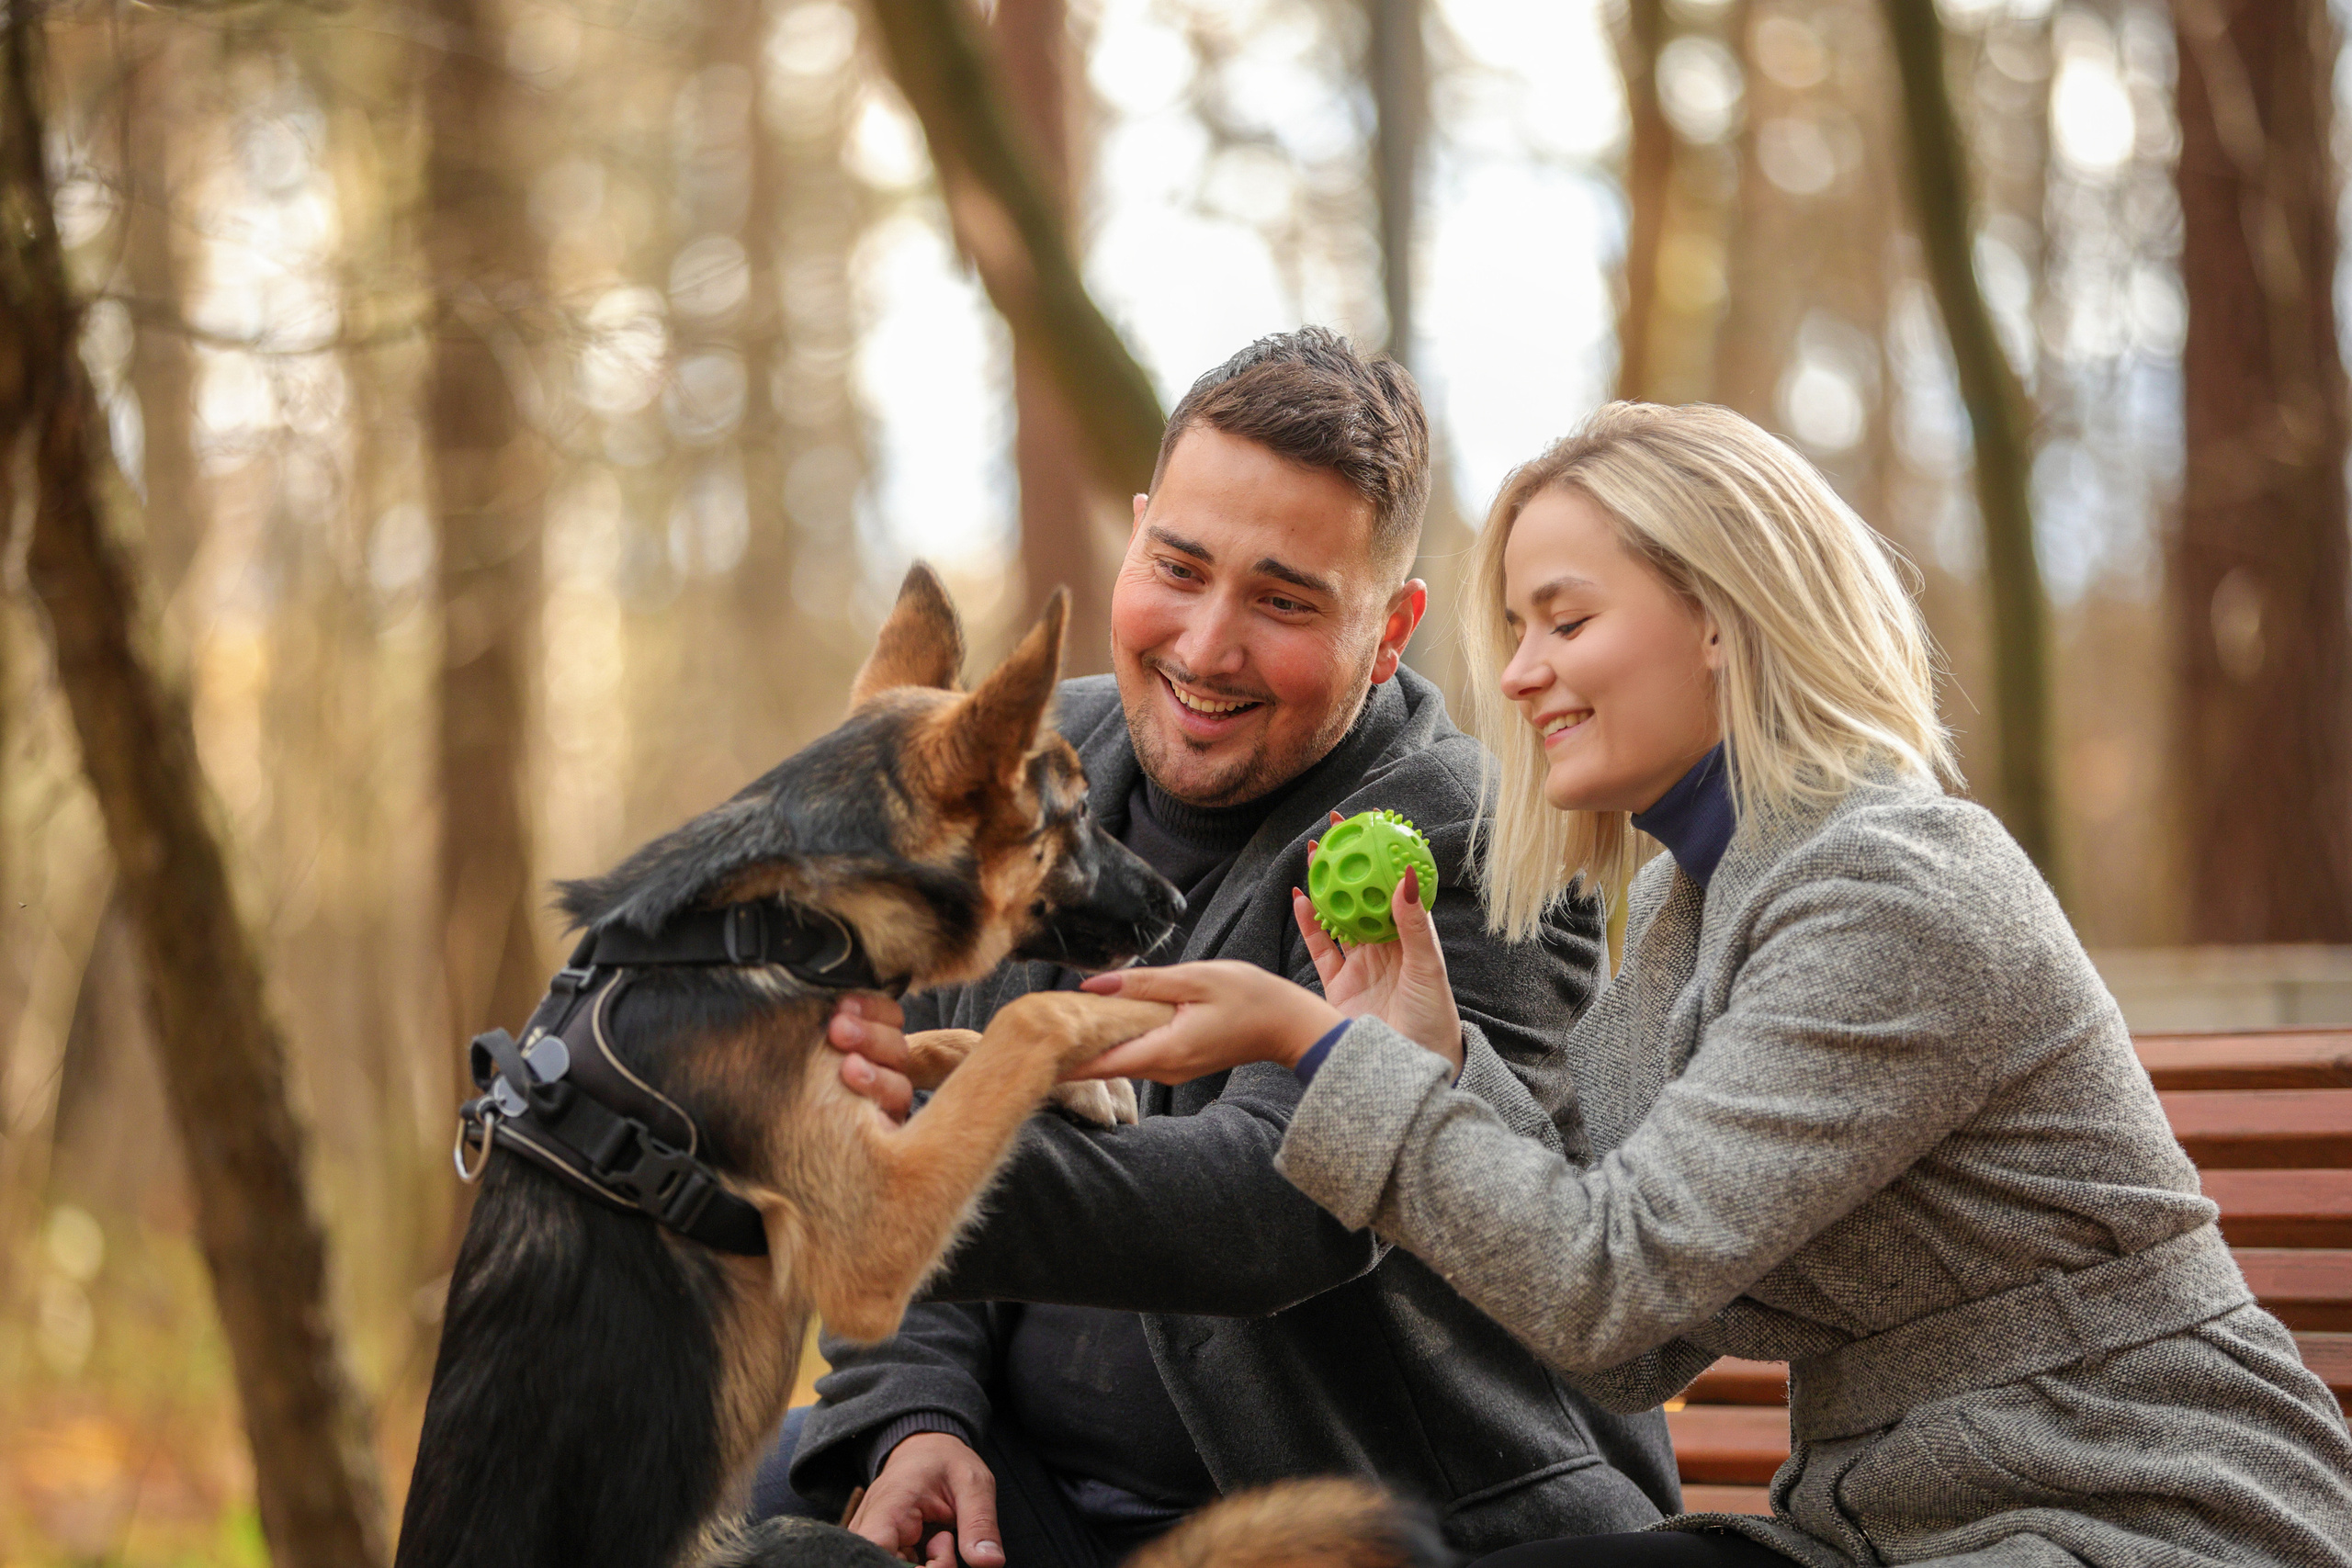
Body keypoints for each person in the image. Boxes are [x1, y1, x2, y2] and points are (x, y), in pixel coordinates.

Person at [1038, 401, 2352, 1566]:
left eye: (1566, 618)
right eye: (1514, 628)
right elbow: (1629, 1346)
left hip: (2136, 1508)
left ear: (1721, 619)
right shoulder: (1685, 899)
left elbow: (1606, 1281)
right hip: (1885, 1524)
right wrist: (1434, 1055)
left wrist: (1316, 1050)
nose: (1517, 674)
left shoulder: (1893, 890)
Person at [755, 333, 1681, 1567]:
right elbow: (918, 1088)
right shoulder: (1042, 755)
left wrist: (882, 1180)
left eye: (1284, 599)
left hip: (1364, 1517)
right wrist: (916, 1418)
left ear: (1389, 626)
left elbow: (1269, 1205)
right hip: (1033, 1497)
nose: (1204, 645)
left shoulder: (1466, 840)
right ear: (1135, 534)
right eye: (1178, 567)